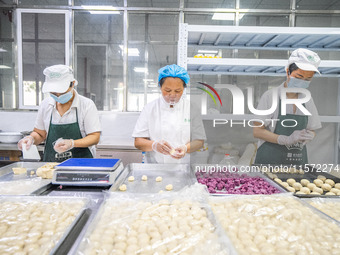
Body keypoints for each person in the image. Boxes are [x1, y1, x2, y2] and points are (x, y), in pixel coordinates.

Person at [18, 64, 101, 162]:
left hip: (81, 164)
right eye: (53, 93)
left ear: (72, 84)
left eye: (62, 93)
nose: (58, 96)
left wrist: (72, 143)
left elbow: (94, 137)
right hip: (51, 165)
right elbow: (40, 134)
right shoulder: (46, 105)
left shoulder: (86, 105)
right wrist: (31, 139)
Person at [253, 48, 322, 166]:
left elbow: (312, 129)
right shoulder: (271, 96)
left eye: (308, 79)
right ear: (287, 72)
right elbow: (257, 131)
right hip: (269, 161)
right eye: (299, 76)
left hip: (296, 162)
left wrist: (310, 135)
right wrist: (286, 139)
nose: (303, 81)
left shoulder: (308, 99)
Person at [132, 64, 206, 163]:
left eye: (178, 91)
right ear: (160, 87)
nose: (172, 95)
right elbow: (138, 142)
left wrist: (185, 148)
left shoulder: (192, 108)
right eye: (167, 90)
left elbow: (199, 141)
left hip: (183, 168)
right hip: (155, 168)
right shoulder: (150, 108)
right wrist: (154, 146)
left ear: (184, 89)